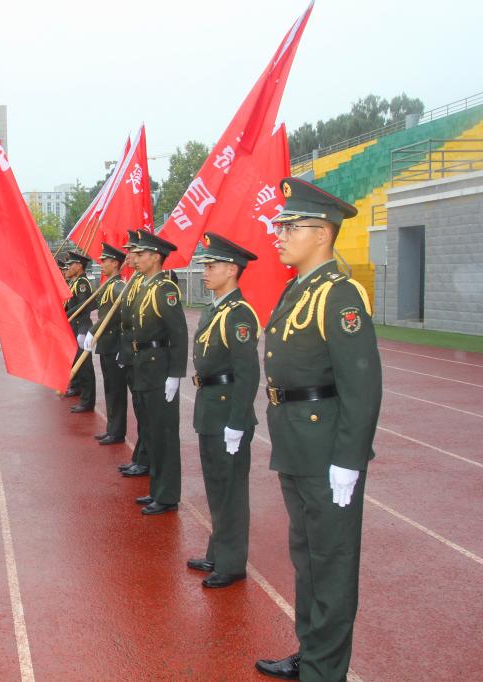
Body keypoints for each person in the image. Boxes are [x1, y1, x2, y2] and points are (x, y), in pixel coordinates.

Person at [255, 178, 382, 681]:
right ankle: (312, 654)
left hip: (327, 448)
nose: (280, 235)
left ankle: (325, 671)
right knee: (308, 558)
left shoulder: (340, 295)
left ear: (323, 233)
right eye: (280, 226)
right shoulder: (298, 289)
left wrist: (349, 460)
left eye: (291, 227)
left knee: (331, 561)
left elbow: (362, 386)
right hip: (296, 441)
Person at [187, 232, 261, 589]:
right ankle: (218, 552)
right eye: (205, 265)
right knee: (216, 487)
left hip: (227, 411)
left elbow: (248, 373)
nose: (205, 272)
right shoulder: (215, 308)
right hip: (210, 408)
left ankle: (232, 564)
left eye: (211, 265)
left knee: (230, 490)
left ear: (232, 269)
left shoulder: (239, 314)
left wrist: (237, 421)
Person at [127, 230, 187, 515]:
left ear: (155, 257)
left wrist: (175, 374)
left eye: (141, 254)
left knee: (164, 434)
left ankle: (167, 494)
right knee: (150, 430)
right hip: (144, 365)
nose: (136, 258)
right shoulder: (145, 286)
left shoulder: (165, 289)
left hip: (159, 368)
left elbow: (178, 333)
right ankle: (157, 488)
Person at [83, 242, 128, 445]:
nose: (101, 264)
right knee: (109, 388)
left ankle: (117, 431)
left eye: (105, 261)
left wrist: (93, 331)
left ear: (115, 263)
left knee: (116, 390)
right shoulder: (108, 284)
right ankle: (112, 427)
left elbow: (116, 315)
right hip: (106, 345)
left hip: (114, 344)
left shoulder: (118, 287)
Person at [116, 230, 150, 477]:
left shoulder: (148, 283)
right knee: (139, 410)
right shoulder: (135, 280)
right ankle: (140, 454)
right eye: (129, 252)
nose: (129, 257)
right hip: (131, 353)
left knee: (146, 414)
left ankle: (145, 459)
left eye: (134, 252)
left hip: (143, 356)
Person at [64, 251, 96, 412]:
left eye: (71, 264)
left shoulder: (82, 283)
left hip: (82, 325)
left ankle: (87, 401)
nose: (69, 267)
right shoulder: (75, 282)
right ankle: (78, 388)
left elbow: (84, 306)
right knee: (76, 362)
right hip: (74, 325)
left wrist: (65, 315)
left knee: (84, 366)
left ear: (79, 266)